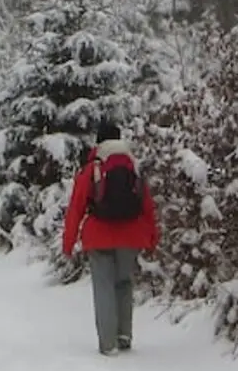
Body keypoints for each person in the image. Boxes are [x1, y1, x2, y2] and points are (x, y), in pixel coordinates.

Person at [59, 121, 159, 356]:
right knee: (124, 283)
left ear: (99, 142)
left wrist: (68, 243)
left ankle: (108, 343)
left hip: (99, 236)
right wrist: (152, 238)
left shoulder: (92, 169)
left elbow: (76, 209)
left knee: (103, 287)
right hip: (131, 236)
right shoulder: (134, 168)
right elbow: (147, 207)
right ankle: (125, 335)